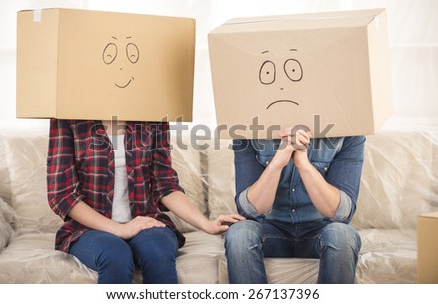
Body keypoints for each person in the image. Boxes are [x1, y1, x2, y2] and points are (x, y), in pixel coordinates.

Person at [47, 118, 244, 284]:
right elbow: (63, 195)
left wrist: (206, 224)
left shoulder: (152, 112)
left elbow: (164, 185)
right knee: (115, 254)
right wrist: (120, 229)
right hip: (89, 230)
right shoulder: (67, 117)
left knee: (157, 251)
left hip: (145, 220)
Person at [224, 127, 365, 283]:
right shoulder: (248, 130)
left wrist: (303, 164)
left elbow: (342, 212)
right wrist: (277, 163)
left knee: (343, 235)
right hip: (271, 231)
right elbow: (249, 211)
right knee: (239, 234)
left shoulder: (349, 131)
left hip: (320, 231)